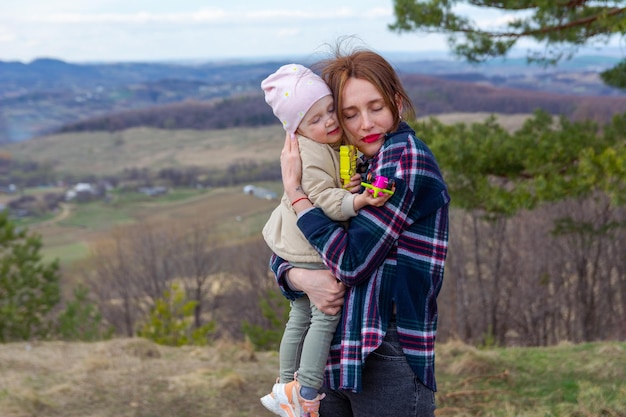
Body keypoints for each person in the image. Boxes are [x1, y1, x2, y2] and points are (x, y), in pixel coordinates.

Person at [270, 46, 450, 417]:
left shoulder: (402, 161)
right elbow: (294, 245)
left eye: (376, 108)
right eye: (350, 114)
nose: (365, 124)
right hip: (334, 351)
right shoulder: (352, 166)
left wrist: (297, 195)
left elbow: (350, 263)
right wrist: (299, 276)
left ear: (397, 103)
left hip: (384, 350)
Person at [259, 63, 392, 417]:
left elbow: (325, 188)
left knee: (299, 315)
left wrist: (345, 186)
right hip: (307, 248)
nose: (330, 121)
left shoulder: (321, 146)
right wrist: (358, 200)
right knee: (323, 315)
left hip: (295, 244)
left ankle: (284, 384)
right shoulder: (309, 153)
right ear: (296, 129)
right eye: (316, 119)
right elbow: (322, 200)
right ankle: (306, 391)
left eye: (330, 109)